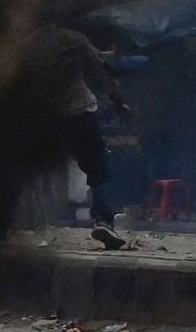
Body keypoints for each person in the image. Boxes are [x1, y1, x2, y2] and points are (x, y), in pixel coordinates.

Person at [19, 22, 130, 246]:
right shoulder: (73, 39)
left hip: (44, 116)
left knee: (34, 171)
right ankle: (102, 222)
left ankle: (32, 223)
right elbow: (102, 70)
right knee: (97, 171)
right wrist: (119, 103)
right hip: (79, 112)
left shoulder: (28, 44)